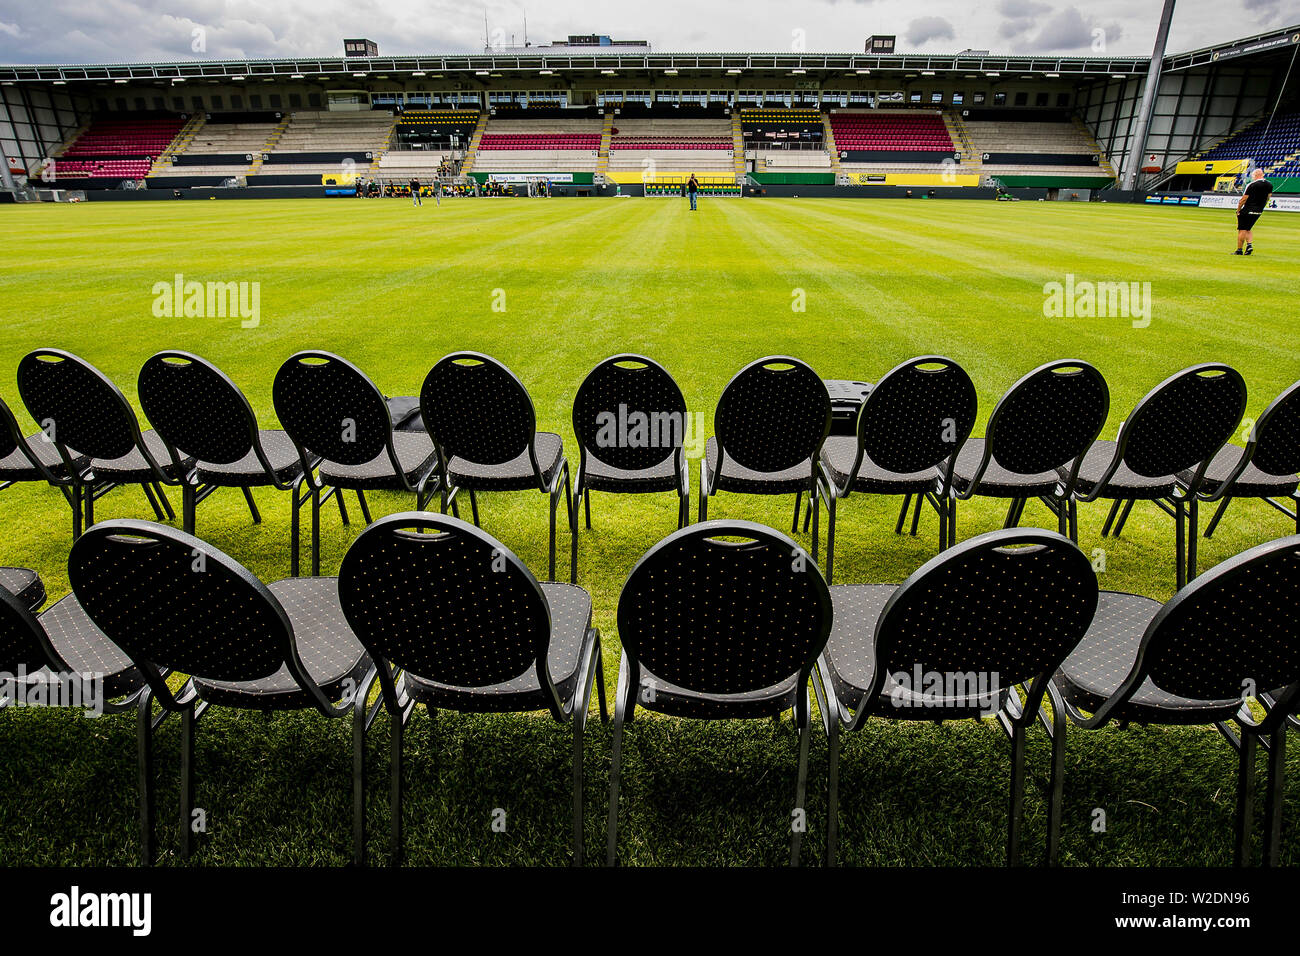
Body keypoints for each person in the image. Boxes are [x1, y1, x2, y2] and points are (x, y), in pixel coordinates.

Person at [1235, 168, 1273, 255]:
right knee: (1248, 228)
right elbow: (1268, 198)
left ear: (1255, 175)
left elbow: (1243, 199)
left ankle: (1239, 250)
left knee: (1242, 229)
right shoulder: (1269, 185)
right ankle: (1249, 245)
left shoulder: (1252, 185)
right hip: (1259, 210)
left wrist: (1238, 210)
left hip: (1248, 209)